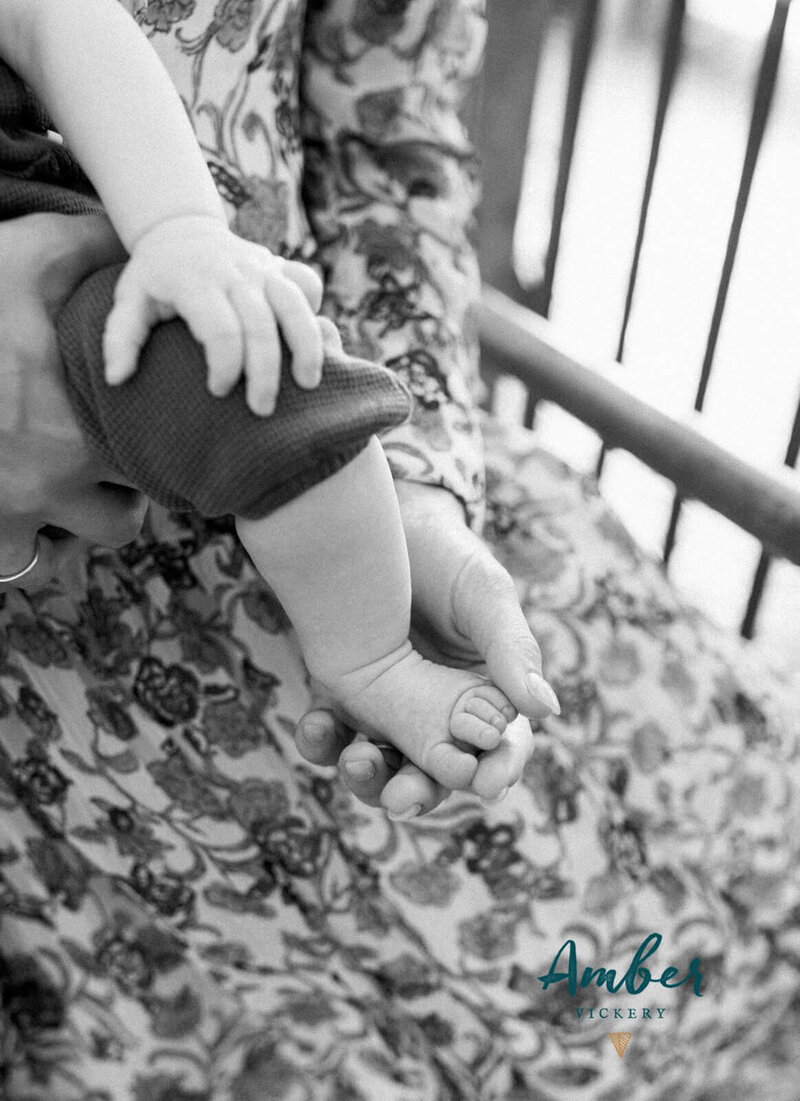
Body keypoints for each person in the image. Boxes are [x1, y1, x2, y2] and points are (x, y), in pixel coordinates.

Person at [1, 2, 799, 1098]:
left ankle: (371, 654)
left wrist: (417, 484)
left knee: (671, 971)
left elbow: (386, 128)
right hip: (76, 773)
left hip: (320, 439)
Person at [0, 0, 563, 811]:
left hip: (126, 329)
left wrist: (179, 231)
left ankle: (371, 658)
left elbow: (58, 21)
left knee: (258, 381)